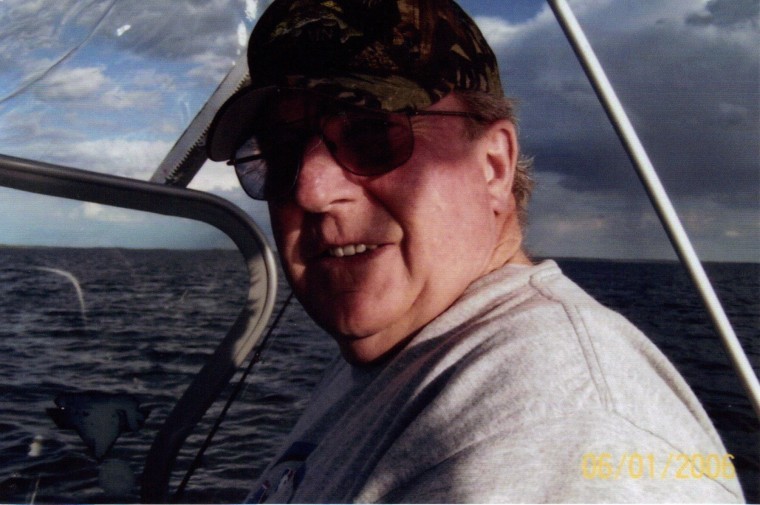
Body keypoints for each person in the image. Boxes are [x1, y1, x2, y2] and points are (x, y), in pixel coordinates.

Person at [207, 0, 744, 502]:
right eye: (279, 152)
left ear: (493, 167)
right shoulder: (408, 354)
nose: (309, 189)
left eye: (371, 133)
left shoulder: (556, 430)